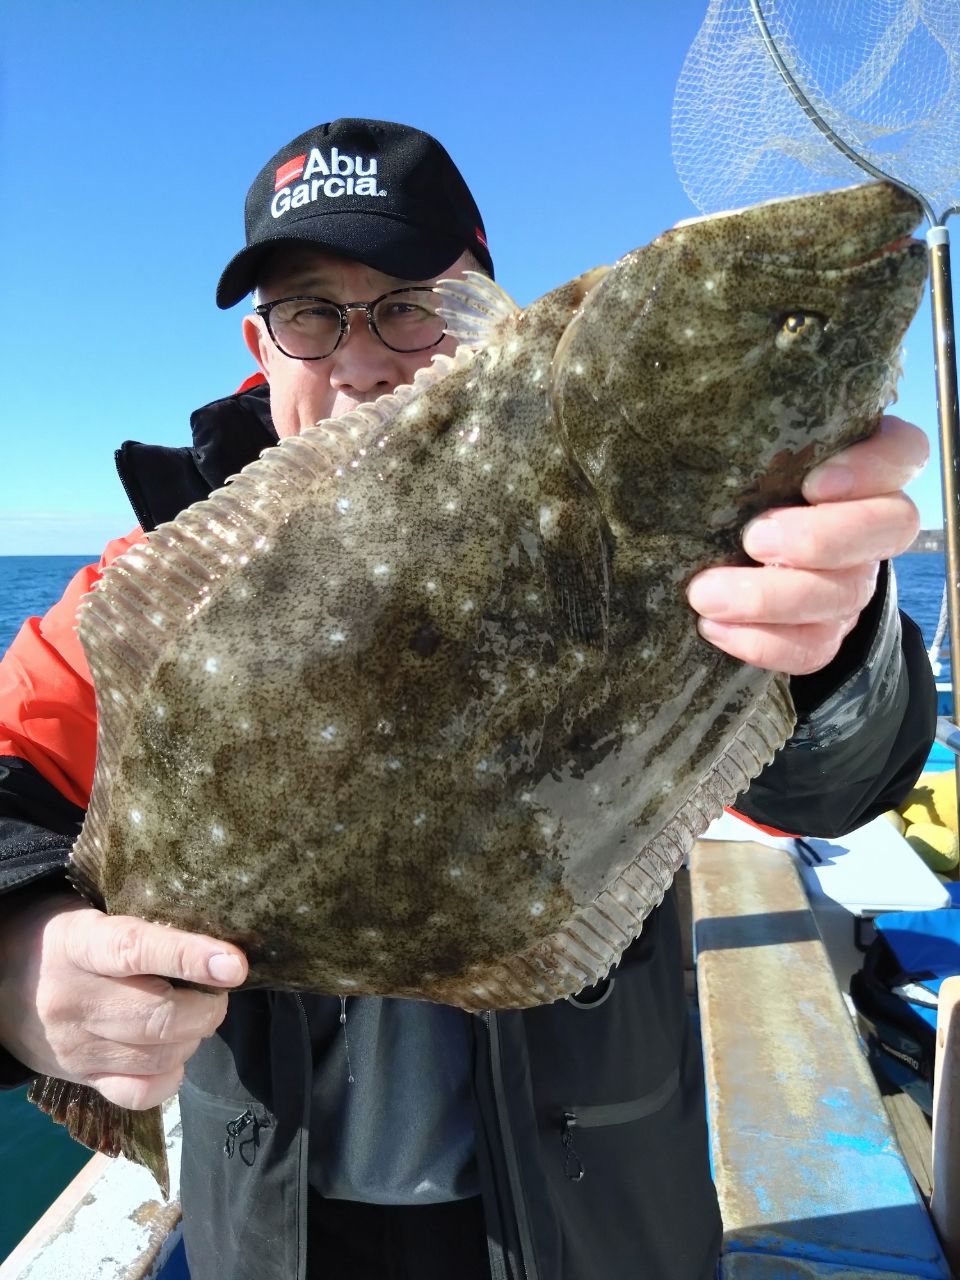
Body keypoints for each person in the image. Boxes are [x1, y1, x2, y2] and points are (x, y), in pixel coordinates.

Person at [0, 118, 936, 1280]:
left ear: (490, 311)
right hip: (284, 1233)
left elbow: (838, 784)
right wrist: (17, 950)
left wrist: (833, 640)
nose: (361, 357)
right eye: (311, 311)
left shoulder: (678, 520)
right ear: (263, 342)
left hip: (594, 1224)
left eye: (407, 304)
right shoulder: (140, 593)